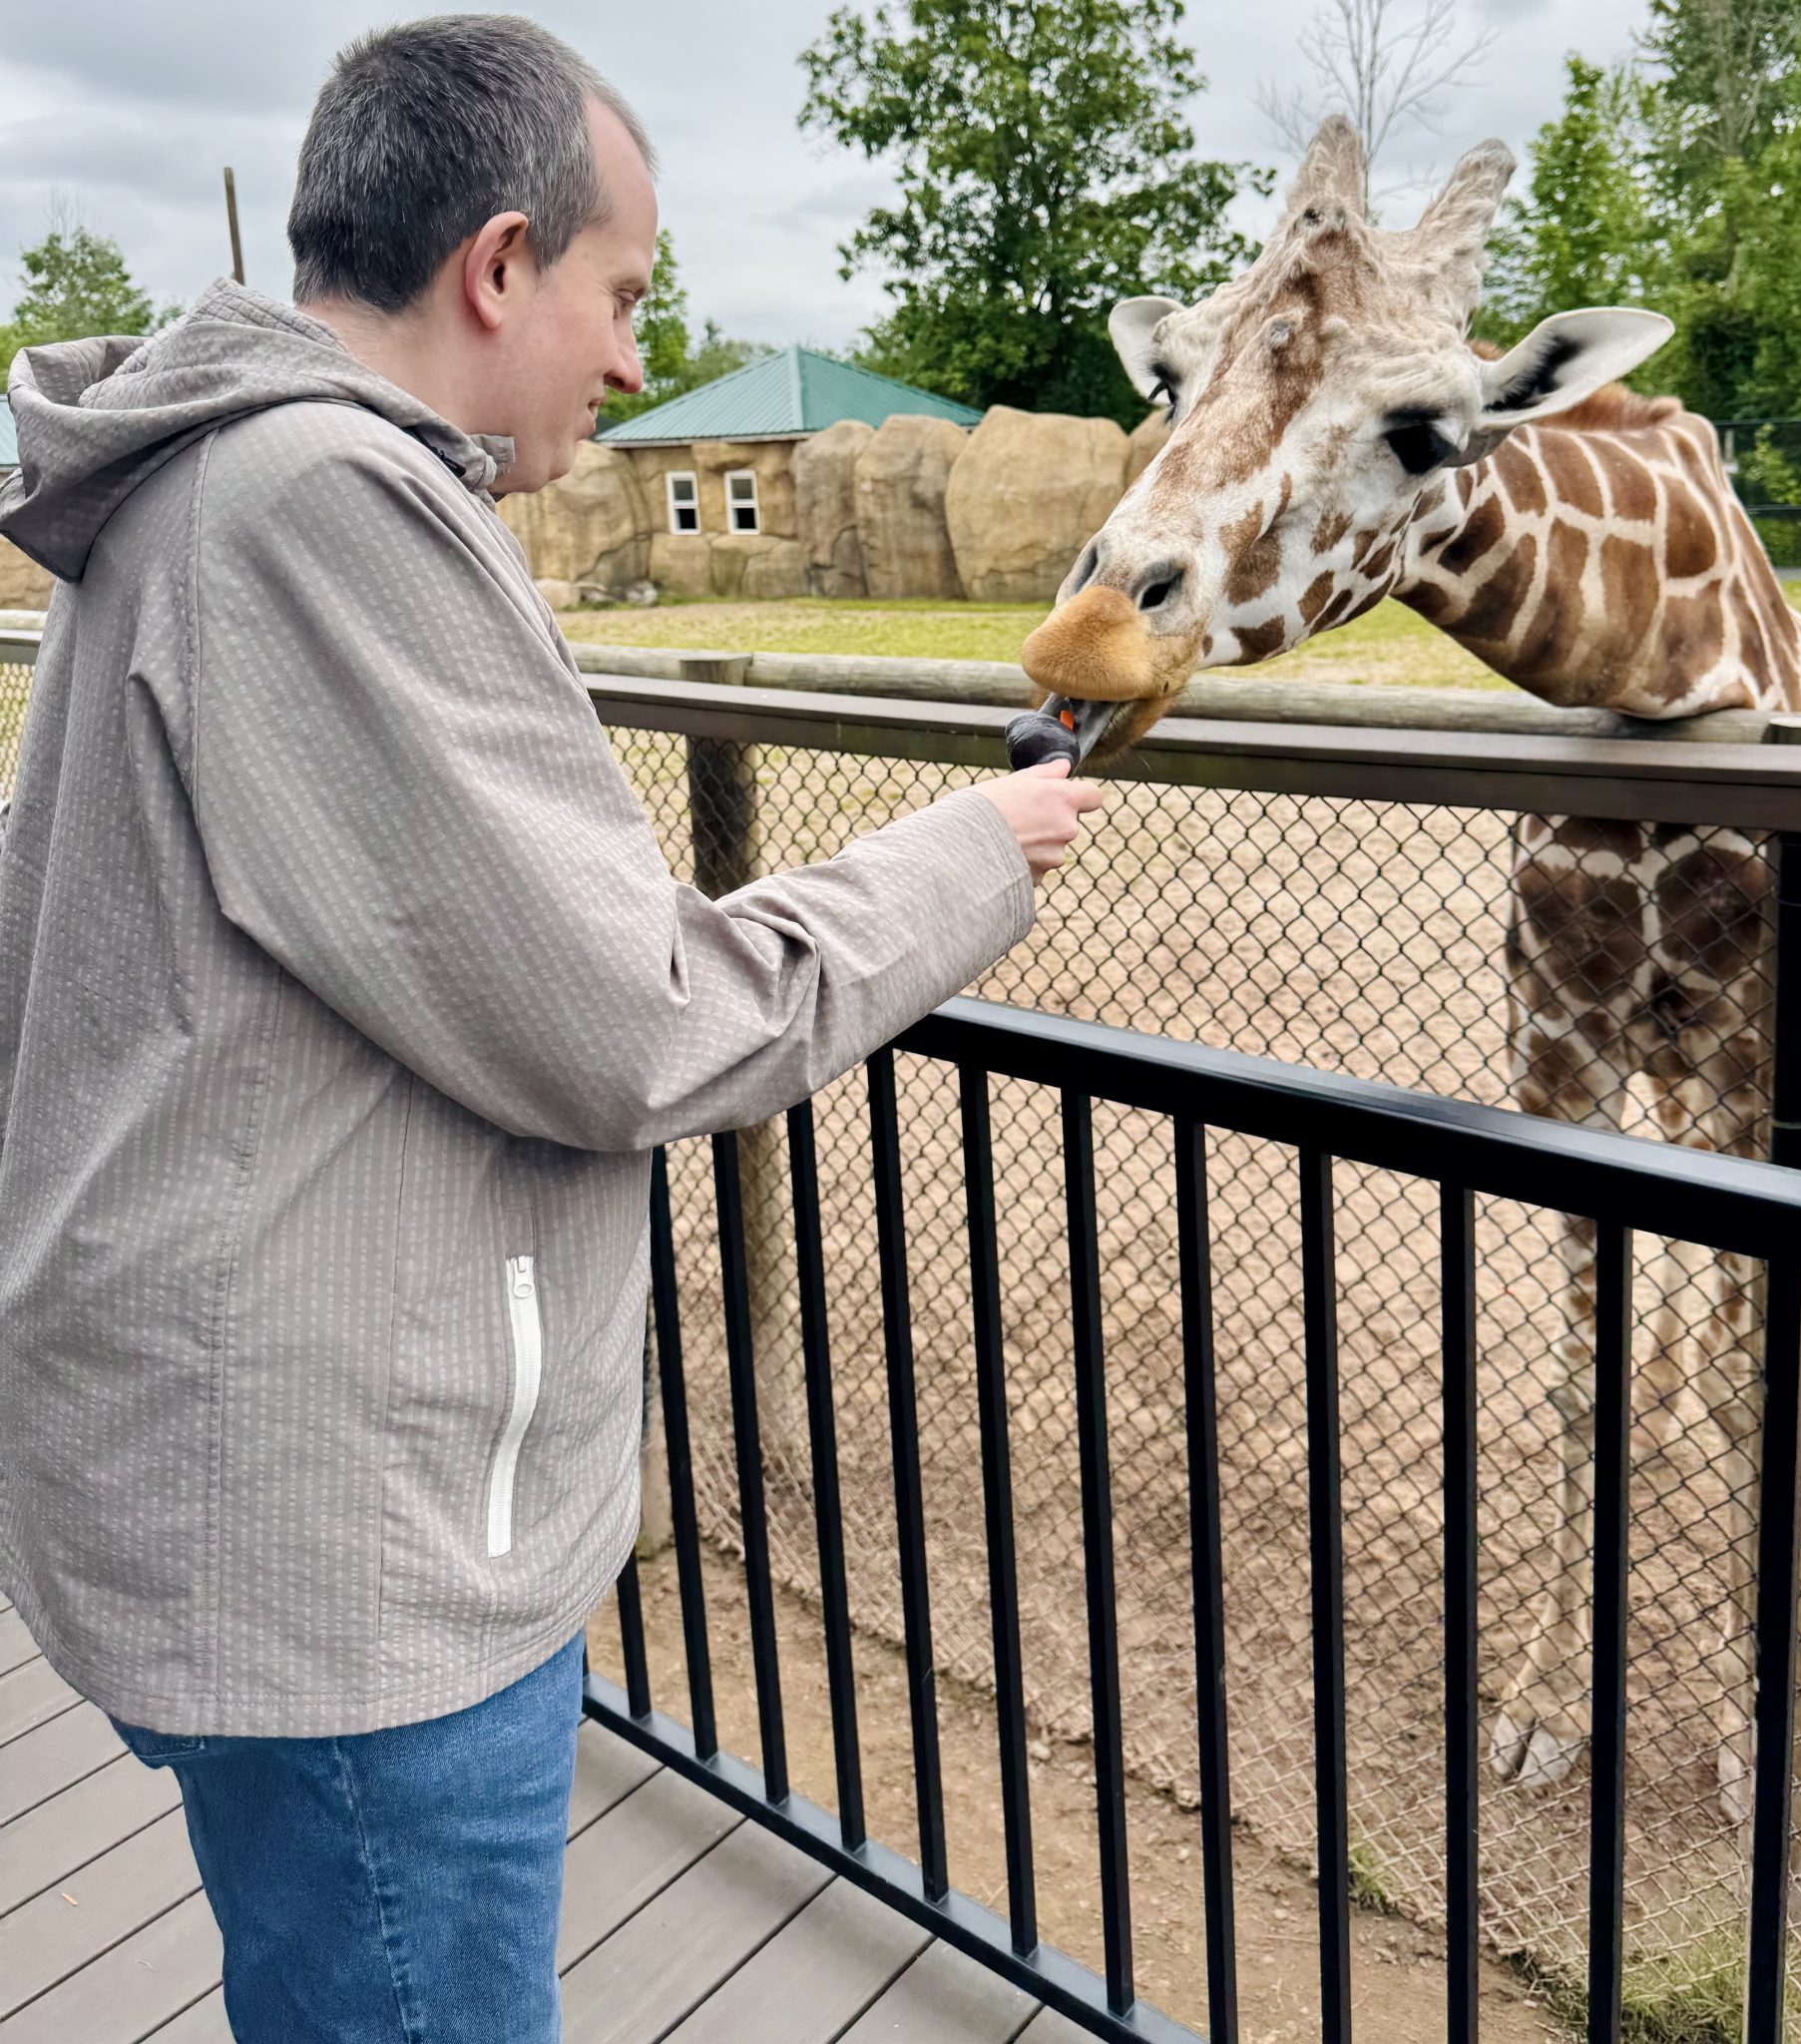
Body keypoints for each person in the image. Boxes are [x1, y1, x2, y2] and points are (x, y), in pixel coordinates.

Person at [0, 16, 1100, 2041]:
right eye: (622, 295)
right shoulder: (322, 506)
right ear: (498, 265)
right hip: (351, 1562)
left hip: (248, 1492)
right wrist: (976, 849)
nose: (631, 360)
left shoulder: (206, 490)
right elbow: (640, 1024)